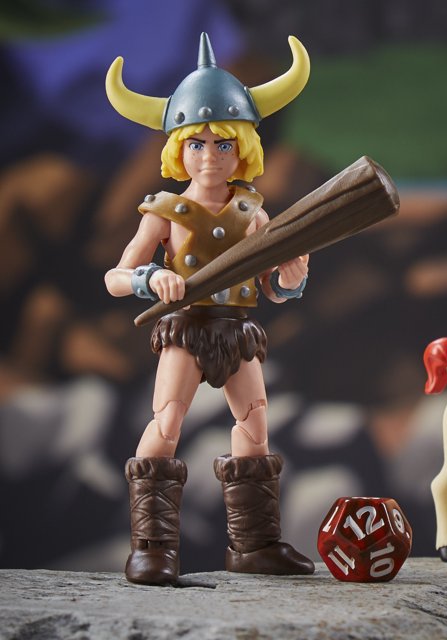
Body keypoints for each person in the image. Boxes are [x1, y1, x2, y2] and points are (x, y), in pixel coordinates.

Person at [104, 32, 314, 585]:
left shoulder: (253, 213)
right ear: (178, 149)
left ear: (243, 148)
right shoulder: (164, 211)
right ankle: (152, 547)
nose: (209, 156)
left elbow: (270, 286)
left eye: (223, 144)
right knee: (167, 422)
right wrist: (152, 277)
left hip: (236, 331)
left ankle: (254, 544)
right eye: (196, 144)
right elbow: (116, 278)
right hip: (185, 329)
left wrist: (291, 281)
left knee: (254, 427)